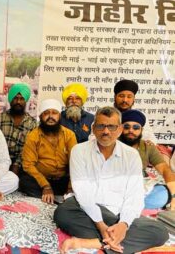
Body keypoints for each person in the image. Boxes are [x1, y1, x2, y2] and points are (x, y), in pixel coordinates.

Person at [54, 107, 168, 254]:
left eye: (111, 126)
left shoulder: (131, 155)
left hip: (118, 213)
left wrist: (124, 225)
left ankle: (93, 243)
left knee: (159, 232)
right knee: (62, 212)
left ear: (120, 129)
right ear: (93, 129)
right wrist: (101, 225)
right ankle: (112, 239)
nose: (106, 131)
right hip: (87, 209)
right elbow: (82, 192)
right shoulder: (79, 151)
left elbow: (134, 195)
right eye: (101, 126)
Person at [20, 99, 77, 204]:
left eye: (54, 113)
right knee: (24, 181)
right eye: (46, 113)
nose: (50, 117)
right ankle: (52, 196)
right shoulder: (33, 136)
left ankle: (51, 196)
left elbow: (75, 163)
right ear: (41, 117)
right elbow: (28, 165)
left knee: (80, 182)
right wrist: (45, 185)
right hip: (41, 179)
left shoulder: (69, 135)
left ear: (59, 116)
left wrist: (70, 188)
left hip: (62, 179)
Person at [119, 109, 175, 210]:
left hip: (140, 188)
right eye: (126, 127)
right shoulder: (111, 144)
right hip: (115, 188)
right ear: (120, 129)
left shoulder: (147, 146)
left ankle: (130, 207)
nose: (131, 130)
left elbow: (164, 168)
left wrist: (173, 195)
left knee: (162, 194)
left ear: (141, 130)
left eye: (136, 127)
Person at [0, 83, 37, 174]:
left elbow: (28, 149)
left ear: (25, 101)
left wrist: (16, 165)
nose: (18, 102)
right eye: (15, 98)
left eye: (21, 99)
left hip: (22, 164)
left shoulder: (32, 123)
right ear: (10, 100)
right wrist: (3, 165)